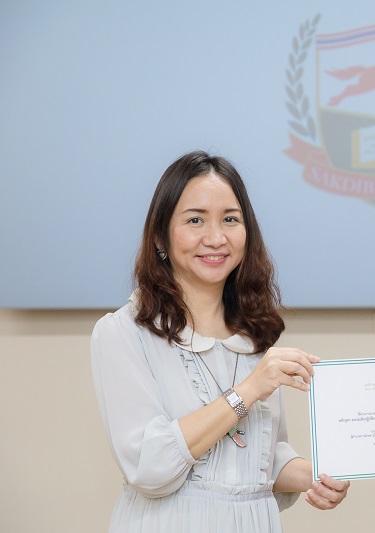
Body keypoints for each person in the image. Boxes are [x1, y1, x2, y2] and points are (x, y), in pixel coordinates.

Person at [91, 151, 349, 532]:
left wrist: (315, 475)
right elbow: (150, 467)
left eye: (230, 219)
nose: (216, 238)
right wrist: (247, 391)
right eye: (195, 220)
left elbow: (261, 458)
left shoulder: (254, 334)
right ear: (161, 235)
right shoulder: (123, 332)